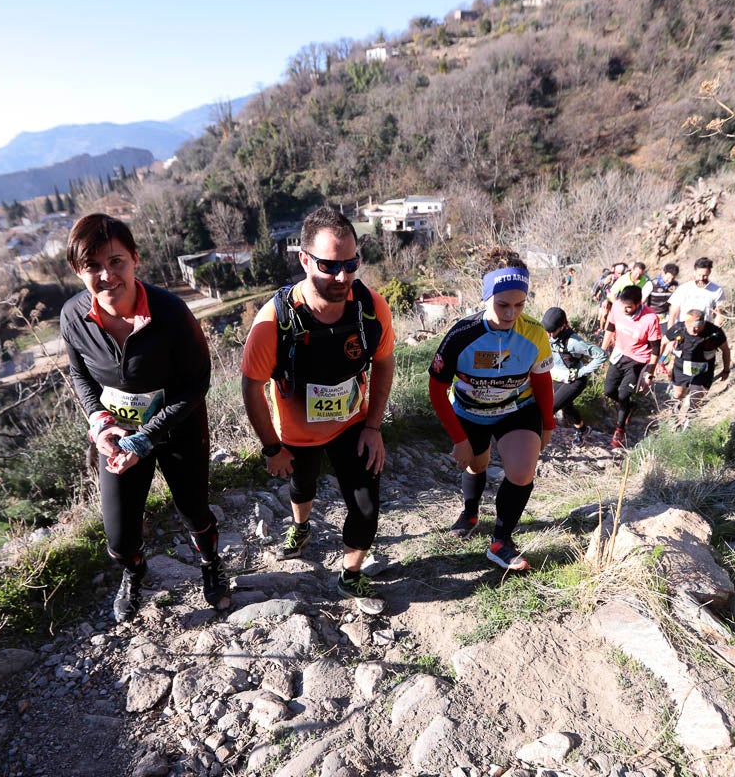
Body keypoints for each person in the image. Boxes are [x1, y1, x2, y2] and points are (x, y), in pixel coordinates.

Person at [60, 213, 230, 622]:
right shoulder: (72, 316)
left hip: (179, 427)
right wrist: (99, 420)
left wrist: (147, 438)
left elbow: (195, 385)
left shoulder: (171, 313)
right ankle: (134, 573)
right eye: (93, 266)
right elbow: (79, 374)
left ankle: (210, 564)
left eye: (116, 261)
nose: (106, 275)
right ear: (78, 271)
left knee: (193, 509)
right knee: (119, 535)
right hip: (118, 436)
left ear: (135, 259)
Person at [241, 206, 396, 615]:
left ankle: (350, 574)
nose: (343, 276)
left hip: (352, 426)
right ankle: (300, 526)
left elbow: (384, 361)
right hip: (296, 434)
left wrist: (374, 426)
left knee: (365, 504)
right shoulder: (275, 319)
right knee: (302, 488)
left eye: (351, 264)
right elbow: (252, 386)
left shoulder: (370, 308)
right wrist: (272, 447)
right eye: (329, 266)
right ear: (304, 258)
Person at [428, 249, 555, 571]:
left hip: (517, 410)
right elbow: (436, 389)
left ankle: (501, 541)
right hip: (470, 413)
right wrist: (458, 439)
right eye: (502, 305)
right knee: (475, 465)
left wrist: (548, 423)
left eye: (519, 305)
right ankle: (470, 513)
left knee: (522, 471)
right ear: (485, 297)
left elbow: (541, 380)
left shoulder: (535, 333)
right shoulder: (461, 334)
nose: (511, 313)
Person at [601, 284, 662, 449]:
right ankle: (630, 406)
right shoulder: (617, 307)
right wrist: (602, 351)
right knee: (608, 391)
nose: (624, 310)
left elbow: (656, 347)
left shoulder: (650, 318)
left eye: (629, 307)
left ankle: (619, 430)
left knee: (623, 394)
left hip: (638, 359)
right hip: (619, 354)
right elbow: (611, 327)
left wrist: (650, 371)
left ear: (638, 304)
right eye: (623, 306)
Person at [541, 307, 606, 446]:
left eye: (551, 332)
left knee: (548, 409)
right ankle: (582, 429)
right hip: (557, 377)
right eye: (546, 330)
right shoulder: (546, 332)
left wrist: (581, 372)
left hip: (574, 380)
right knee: (567, 407)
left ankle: (535, 447)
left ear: (562, 326)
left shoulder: (573, 342)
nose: (547, 334)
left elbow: (601, 355)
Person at [661, 309, 731, 428]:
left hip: (703, 371)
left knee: (696, 398)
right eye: (690, 326)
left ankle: (688, 425)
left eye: (697, 326)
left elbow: (725, 350)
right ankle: (674, 419)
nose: (693, 330)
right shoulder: (678, 328)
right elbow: (663, 342)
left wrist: (726, 369)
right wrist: (660, 361)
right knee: (678, 394)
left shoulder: (715, 332)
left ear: (703, 322)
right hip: (681, 368)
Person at [666, 257, 726, 328]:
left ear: (709, 272)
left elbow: (718, 314)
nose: (701, 278)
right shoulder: (683, 289)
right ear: (694, 272)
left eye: (705, 276)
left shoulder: (717, 290)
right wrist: (670, 333)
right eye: (699, 275)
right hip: (684, 330)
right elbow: (673, 313)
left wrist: (716, 332)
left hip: (704, 330)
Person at [594, 262, 628, 334]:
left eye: (622, 273)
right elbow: (601, 286)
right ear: (615, 271)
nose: (620, 275)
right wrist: (604, 298)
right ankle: (601, 330)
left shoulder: (625, 278)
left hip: (617, 299)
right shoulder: (610, 277)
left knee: (611, 317)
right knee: (604, 315)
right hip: (606, 298)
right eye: (619, 273)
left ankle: (607, 333)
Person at [646, 263, 680, 329]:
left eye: (672, 279)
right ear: (663, 273)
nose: (670, 281)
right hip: (650, 316)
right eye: (668, 278)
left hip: (665, 319)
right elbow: (642, 301)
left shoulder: (676, 286)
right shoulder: (652, 284)